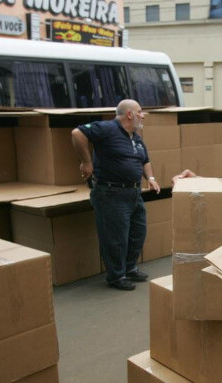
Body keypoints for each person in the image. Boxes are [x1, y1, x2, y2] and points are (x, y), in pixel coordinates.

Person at [71, 99, 160, 291]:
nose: (142, 115)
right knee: (115, 238)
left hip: (134, 193)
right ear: (129, 114)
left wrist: (150, 177)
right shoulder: (107, 129)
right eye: (140, 111)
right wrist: (87, 162)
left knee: (138, 233)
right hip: (111, 193)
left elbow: (145, 160)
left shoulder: (135, 137)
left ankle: (129, 268)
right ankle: (116, 276)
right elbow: (77, 133)